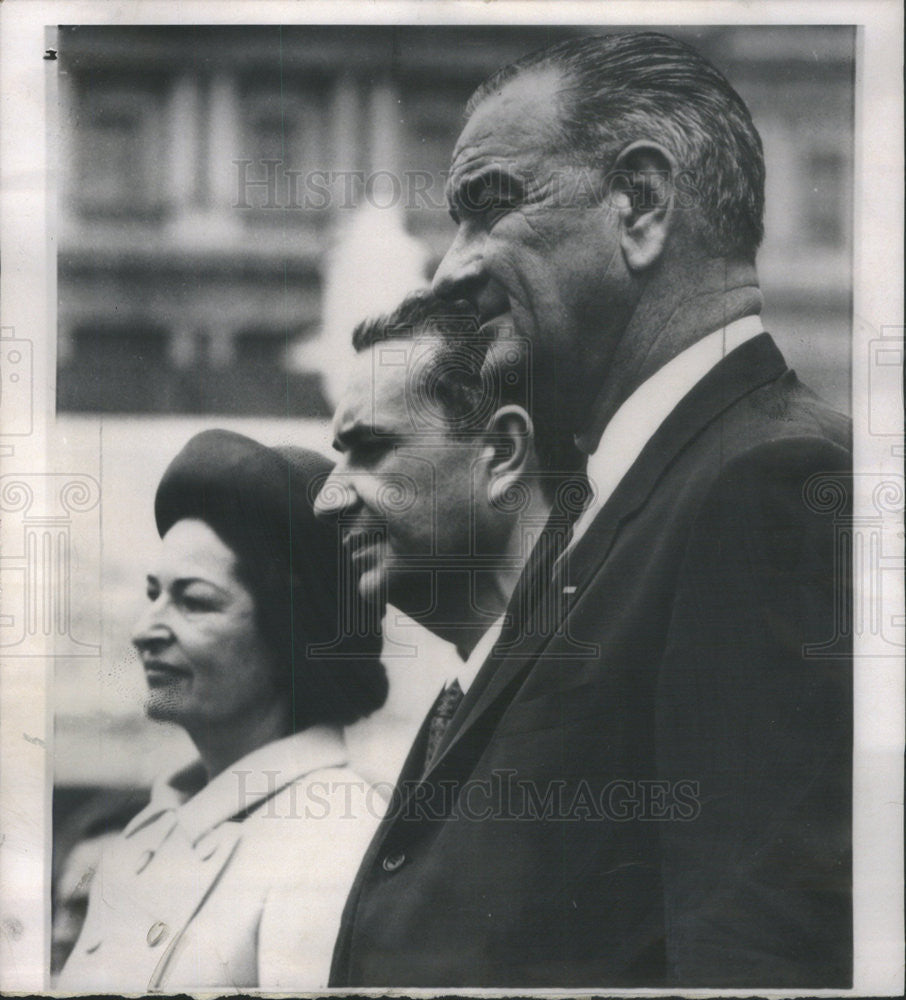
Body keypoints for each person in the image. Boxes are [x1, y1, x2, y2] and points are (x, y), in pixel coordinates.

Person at [326, 33, 852, 989]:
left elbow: (759, 954)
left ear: (641, 204)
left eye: (490, 208)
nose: (449, 270)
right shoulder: (637, 492)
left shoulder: (769, 483)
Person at [59, 430, 388, 993]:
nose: (144, 631)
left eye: (194, 601)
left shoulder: (335, 836)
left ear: (293, 634)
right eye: (153, 594)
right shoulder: (146, 833)